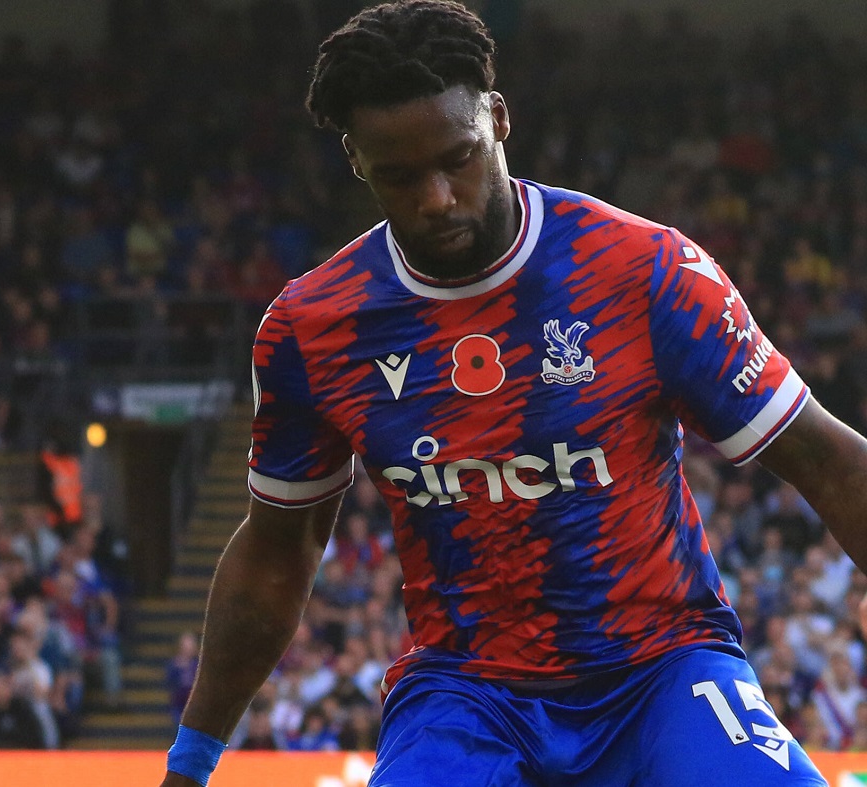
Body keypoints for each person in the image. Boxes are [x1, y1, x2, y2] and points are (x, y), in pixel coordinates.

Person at [160, 4, 867, 786]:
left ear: (498, 119)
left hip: (663, 669)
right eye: (400, 175)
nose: (436, 197)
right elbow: (276, 551)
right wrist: (190, 765)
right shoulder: (312, 328)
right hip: (466, 691)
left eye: (457, 158)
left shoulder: (643, 271)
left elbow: (829, 459)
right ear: (355, 159)